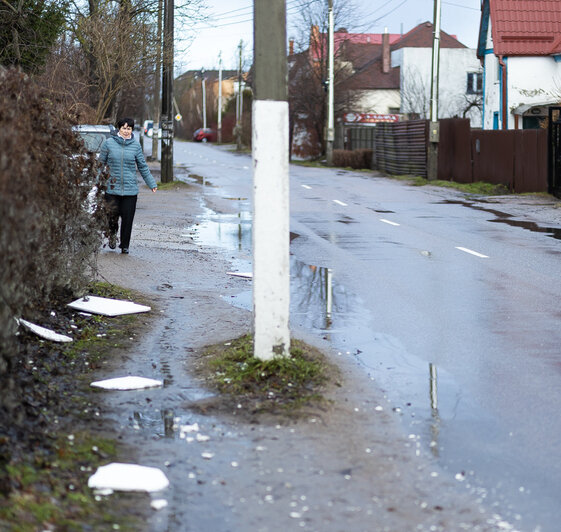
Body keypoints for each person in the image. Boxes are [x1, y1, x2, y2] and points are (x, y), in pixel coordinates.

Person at [99, 117, 157, 254]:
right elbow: (100, 165)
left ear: (132, 130)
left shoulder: (136, 146)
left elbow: (142, 166)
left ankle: (125, 245)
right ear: (119, 129)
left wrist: (151, 183)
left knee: (127, 219)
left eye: (129, 128)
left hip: (130, 190)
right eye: (124, 128)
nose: (126, 131)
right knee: (111, 217)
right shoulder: (108, 144)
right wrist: (96, 181)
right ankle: (112, 235)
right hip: (112, 188)